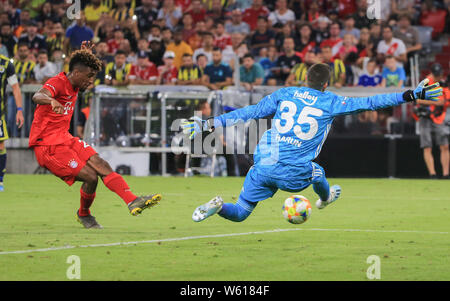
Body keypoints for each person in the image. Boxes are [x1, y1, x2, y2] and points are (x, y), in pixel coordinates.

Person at [182, 63, 442, 223]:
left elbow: (248, 112)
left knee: (240, 212)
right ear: (326, 84)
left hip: (262, 163)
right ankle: (326, 199)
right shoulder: (331, 102)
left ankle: (218, 207)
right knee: (319, 173)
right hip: (292, 171)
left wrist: (207, 123)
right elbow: (372, 102)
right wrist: (411, 94)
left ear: (305, 79)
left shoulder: (285, 93)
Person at [29, 41, 162, 228]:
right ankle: (84, 214)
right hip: (47, 146)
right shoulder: (57, 83)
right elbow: (37, 95)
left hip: (65, 138)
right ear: (76, 73)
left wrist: (85, 53)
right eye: (89, 76)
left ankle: (132, 200)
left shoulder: (75, 82)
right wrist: (50, 100)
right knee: (91, 177)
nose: (91, 81)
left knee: (100, 163)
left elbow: (77, 63)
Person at [413, 63, 449, 179]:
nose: (438, 77)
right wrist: (435, 102)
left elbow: (445, 99)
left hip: (439, 115)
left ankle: (445, 174)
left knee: (444, 145)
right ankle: (432, 174)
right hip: (425, 116)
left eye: (439, 74)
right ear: (432, 73)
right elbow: (417, 100)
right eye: (436, 75)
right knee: (427, 146)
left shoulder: (442, 82)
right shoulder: (425, 83)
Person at [0, 53, 25, 191]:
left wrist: (19, 109)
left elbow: (15, 87)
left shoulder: (6, 64)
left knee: (0, 146)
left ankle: (0, 181)